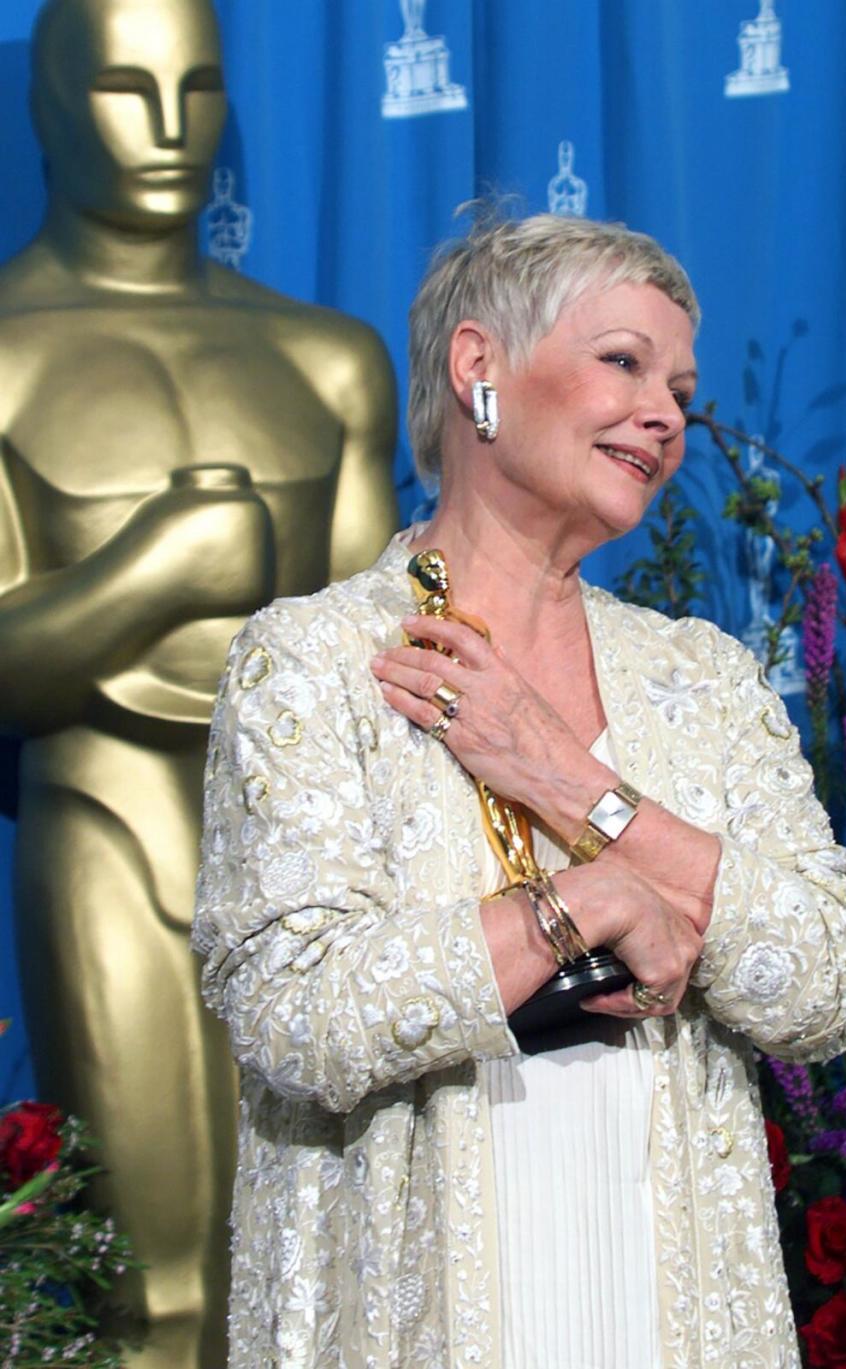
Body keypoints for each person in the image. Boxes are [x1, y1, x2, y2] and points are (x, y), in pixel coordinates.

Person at [194, 214, 846, 1368]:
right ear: (479, 369)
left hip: (671, 1314)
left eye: (679, 384)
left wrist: (574, 782)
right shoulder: (314, 662)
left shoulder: (702, 679)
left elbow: (832, 979)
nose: (665, 412)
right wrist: (589, 905)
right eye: (623, 360)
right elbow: (293, 1018)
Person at [0, 0, 396, 1363]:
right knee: (158, 1294)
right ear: (48, 102)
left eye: (196, 89)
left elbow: (368, 677)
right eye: (123, 87)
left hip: (307, 854)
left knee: (328, 1271)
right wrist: (152, 575)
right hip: (104, 815)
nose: (169, 131)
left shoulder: (327, 358)